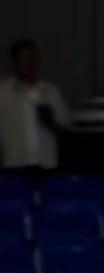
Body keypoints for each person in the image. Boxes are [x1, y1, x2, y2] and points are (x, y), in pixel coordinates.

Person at [0, 39, 69, 173]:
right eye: (24, 59)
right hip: (14, 165)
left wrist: (51, 122)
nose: (30, 63)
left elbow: (66, 129)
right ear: (14, 62)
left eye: (33, 58)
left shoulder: (51, 92)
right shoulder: (2, 93)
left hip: (47, 164)